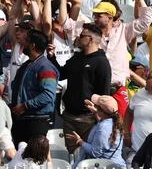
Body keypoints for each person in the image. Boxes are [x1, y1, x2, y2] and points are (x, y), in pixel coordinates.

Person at [47, 23, 111, 152]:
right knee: (70, 154)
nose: (78, 37)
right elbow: (61, 74)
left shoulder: (101, 62)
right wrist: (52, 57)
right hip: (69, 116)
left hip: (89, 118)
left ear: (91, 39)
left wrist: (98, 115)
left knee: (87, 154)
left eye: (82, 35)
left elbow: (105, 94)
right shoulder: (76, 57)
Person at [10, 29, 58, 146]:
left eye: (26, 41)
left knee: (34, 159)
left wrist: (25, 106)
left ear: (33, 45)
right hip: (22, 120)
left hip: (37, 121)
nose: (23, 44)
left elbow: (48, 95)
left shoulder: (46, 67)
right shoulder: (27, 65)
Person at [66, 94, 126, 167]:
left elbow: (95, 153)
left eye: (97, 106)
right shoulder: (113, 121)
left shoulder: (103, 127)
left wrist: (79, 141)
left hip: (105, 166)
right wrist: (95, 112)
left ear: (102, 111)